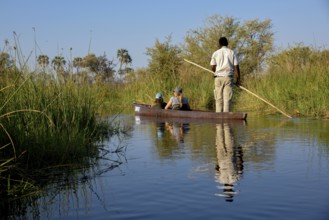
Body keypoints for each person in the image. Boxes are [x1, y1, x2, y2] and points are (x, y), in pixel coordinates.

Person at [210, 37, 241, 112]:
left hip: (218, 78)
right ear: (227, 43)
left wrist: (215, 71)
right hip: (228, 78)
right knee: (227, 99)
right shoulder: (232, 52)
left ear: (219, 44)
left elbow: (212, 66)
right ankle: (226, 118)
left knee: (218, 99)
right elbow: (236, 66)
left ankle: (218, 117)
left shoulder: (215, 53)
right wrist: (238, 79)